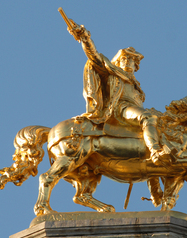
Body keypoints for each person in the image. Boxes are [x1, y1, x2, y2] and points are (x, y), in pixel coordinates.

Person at [68, 22, 174, 166]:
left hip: (131, 112)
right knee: (147, 117)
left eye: (132, 60)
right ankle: (155, 151)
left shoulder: (136, 84)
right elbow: (94, 56)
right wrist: (85, 38)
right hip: (120, 109)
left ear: (136, 65)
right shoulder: (111, 73)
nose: (128, 62)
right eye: (125, 59)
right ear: (117, 62)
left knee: (160, 126)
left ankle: (154, 181)